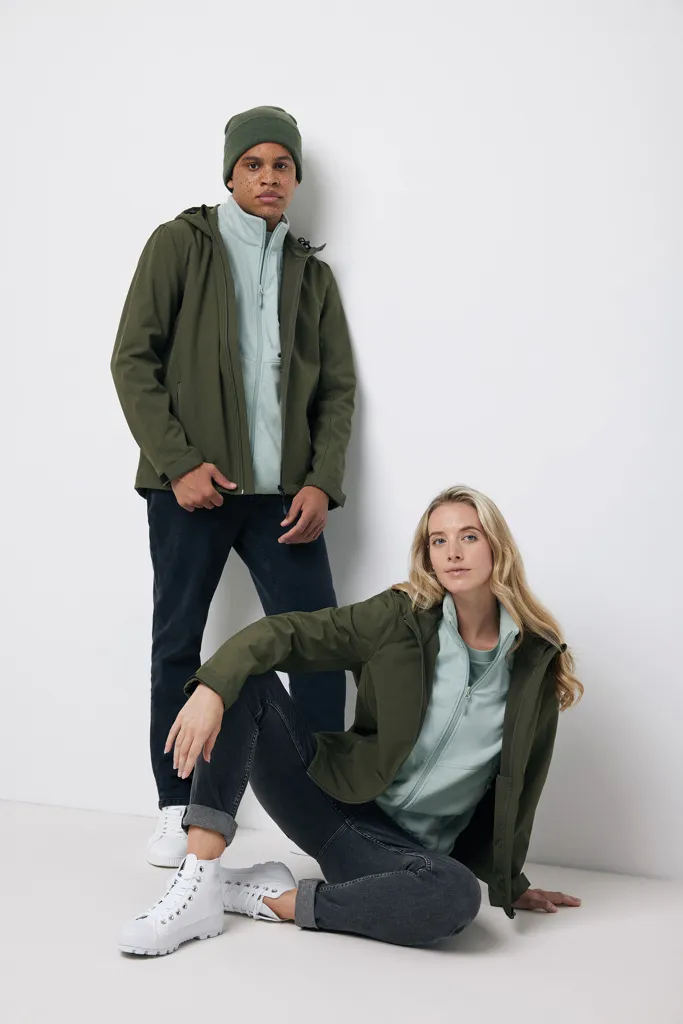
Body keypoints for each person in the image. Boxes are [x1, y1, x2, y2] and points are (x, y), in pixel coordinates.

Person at [119, 485, 583, 955]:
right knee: (245, 678)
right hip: (330, 799)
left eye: (469, 536)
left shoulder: (535, 665)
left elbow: (521, 783)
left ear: (496, 546)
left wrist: (510, 883)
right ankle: (200, 880)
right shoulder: (401, 618)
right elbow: (288, 632)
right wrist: (213, 687)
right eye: (438, 540)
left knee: (457, 895)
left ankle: (271, 900)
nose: (453, 553)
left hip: (398, 853)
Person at [111, 106, 355, 868]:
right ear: (230, 173)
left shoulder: (310, 275)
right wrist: (178, 463)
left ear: (296, 179)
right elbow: (133, 360)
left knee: (318, 645)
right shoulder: (180, 245)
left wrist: (320, 482)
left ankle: (327, 809)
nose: (268, 177)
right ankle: (176, 805)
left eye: (282, 165)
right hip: (191, 490)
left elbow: (336, 390)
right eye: (254, 164)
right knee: (177, 645)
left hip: (284, 499)